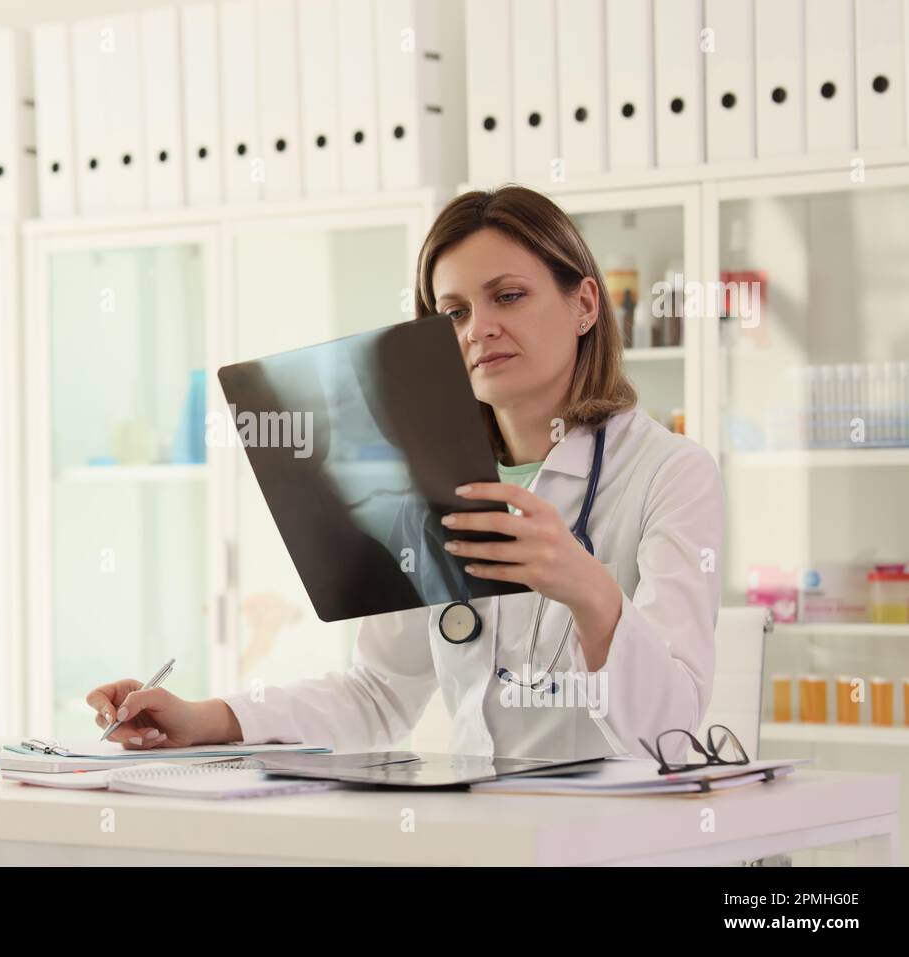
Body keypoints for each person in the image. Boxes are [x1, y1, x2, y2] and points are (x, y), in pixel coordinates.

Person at [86, 185, 724, 760]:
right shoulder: (428, 479)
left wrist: (590, 590)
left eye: (508, 296)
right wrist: (207, 718)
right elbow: (378, 697)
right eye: (454, 313)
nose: (481, 329)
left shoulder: (670, 474)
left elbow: (671, 735)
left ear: (585, 304)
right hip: (481, 834)